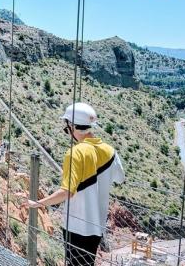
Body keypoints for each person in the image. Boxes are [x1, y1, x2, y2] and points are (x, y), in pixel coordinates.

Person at [23, 103, 125, 266]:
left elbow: (66, 192)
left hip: (76, 226)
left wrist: (37, 203)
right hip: (97, 226)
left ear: (73, 126)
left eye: (67, 126)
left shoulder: (75, 153)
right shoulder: (110, 151)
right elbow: (120, 178)